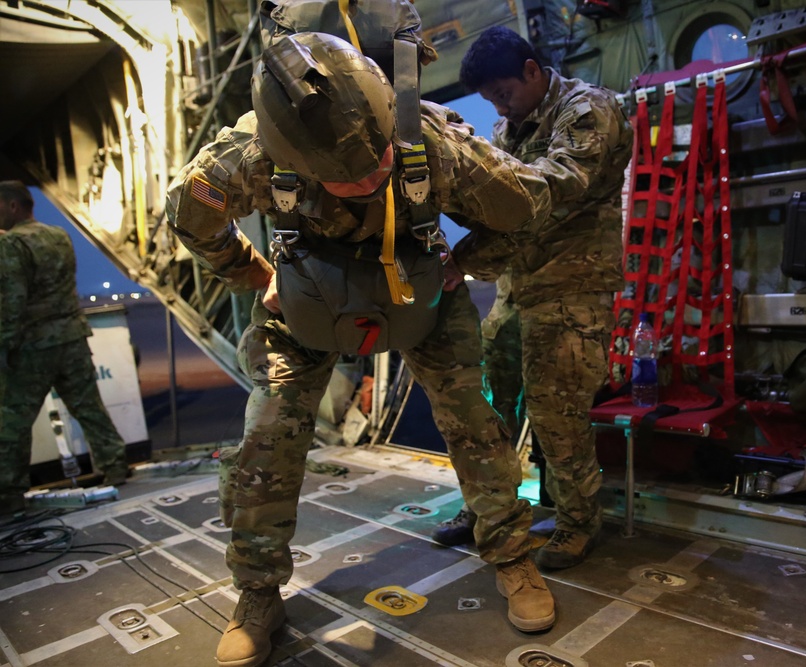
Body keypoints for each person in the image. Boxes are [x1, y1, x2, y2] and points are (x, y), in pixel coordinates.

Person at [164, 32, 559, 667]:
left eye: (377, 164)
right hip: (304, 289)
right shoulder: (250, 155)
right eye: (343, 179)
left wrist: (467, 261)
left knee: (475, 422)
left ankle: (514, 560)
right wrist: (258, 276)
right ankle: (258, 592)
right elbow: (190, 216)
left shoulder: (434, 144)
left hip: (419, 286)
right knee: (267, 432)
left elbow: (527, 206)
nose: (367, 180)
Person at [433, 26, 634, 570]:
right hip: (516, 290)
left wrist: (467, 257)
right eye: (491, 100)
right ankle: (492, 508)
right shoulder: (509, 127)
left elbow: (546, 194)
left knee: (557, 414)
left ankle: (576, 523)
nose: (500, 106)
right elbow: (496, 204)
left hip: (571, 289)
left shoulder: (587, 110)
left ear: (530, 69)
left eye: (504, 93)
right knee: (488, 409)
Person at [0, 181, 129, 516]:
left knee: (12, 421)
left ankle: (9, 493)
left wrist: (5, 343)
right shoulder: (59, 236)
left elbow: (12, 300)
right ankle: (115, 465)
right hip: (72, 337)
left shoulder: (12, 244)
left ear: (13, 206)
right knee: (88, 407)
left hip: (34, 347)